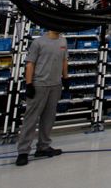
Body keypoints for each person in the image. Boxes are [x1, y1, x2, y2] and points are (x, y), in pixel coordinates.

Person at [15, 30, 70, 166]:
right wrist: (28, 84)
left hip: (55, 85)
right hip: (39, 85)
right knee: (31, 118)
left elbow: (64, 60)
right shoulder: (38, 42)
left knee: (49, 118)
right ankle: (23, 151)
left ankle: (43, 147)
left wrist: (66, 77)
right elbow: (30, 64)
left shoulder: (63, 41)